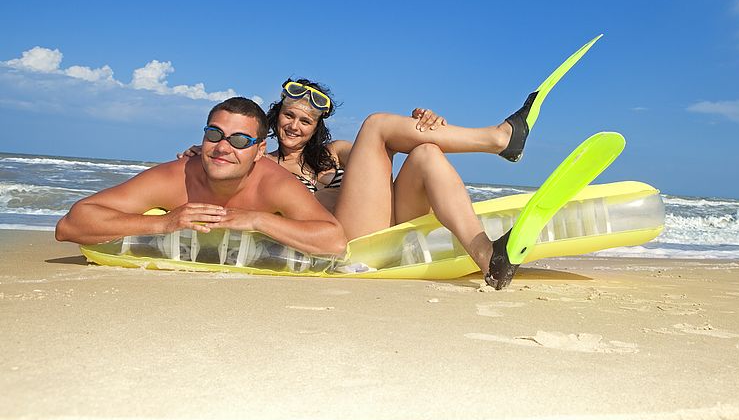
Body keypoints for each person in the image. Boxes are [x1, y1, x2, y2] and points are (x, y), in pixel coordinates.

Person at [180, 79, 537, 289]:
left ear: (315, 128)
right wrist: (205, 155)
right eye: (288, 115)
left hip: (389, 227)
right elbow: (225, 184)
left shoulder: (335, 153)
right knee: (378, 124)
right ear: (275, 119)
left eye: (305, 121)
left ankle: (488, 257)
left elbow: (382, 163)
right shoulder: (260, 165)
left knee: (427, 151)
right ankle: (497, 140)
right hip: (348, 244)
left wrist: (427, 124)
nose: (295, 126)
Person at [55, 97, 348, 257]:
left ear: (260, 150)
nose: (222, 147)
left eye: (240, 141)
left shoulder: (272, 182)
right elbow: (70, 225)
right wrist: (164, 222)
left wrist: (258, 219)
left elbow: (334, 241)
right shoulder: (176, 177)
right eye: (214, 134)